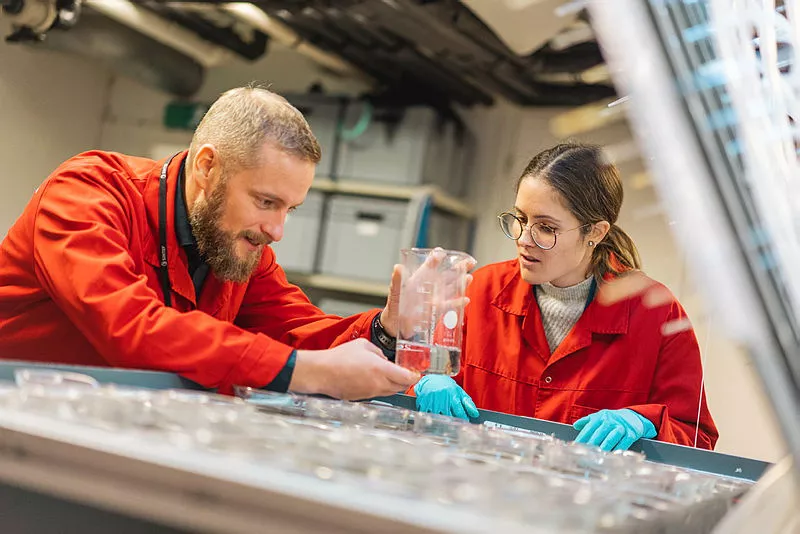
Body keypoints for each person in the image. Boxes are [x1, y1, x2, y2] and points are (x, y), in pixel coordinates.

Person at [0, 86, 420, 399]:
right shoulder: (87, 192)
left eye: (288, 209)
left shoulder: (240, 248)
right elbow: (130, 326)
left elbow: (299, 334)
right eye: (266, 201)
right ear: (206, 166)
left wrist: (384, 330)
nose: (276, 230)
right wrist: (303, 372)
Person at [414, 143, 719, 451]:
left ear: (596, 232)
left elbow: (698, 441)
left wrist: (645, 422)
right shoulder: (480, 291)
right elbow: (418, 384)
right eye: (520, 219)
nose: (524, 239)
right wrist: (423, 382)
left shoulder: (657, 314)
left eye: (546, 228)